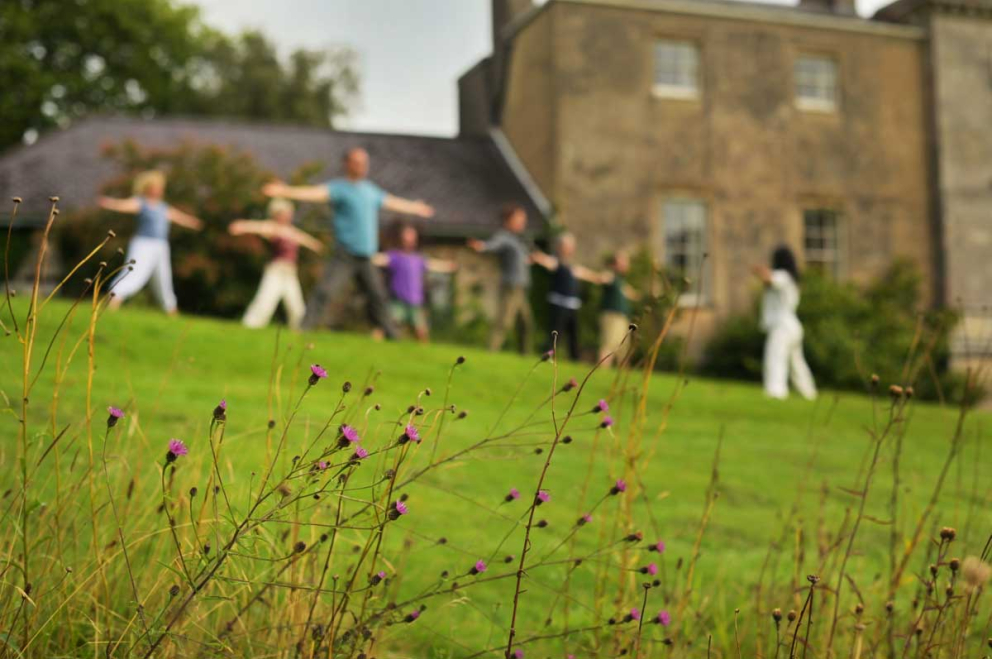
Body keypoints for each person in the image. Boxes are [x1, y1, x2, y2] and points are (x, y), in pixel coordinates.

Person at [262, 147, 435, 339]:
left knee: (378, 297)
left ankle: (393, 336)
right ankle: (304, 328)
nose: (362, 166)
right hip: (345, 253)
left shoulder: (371, 191)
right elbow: (313, 193)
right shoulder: (339, 188)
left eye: (364, 162)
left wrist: (415, 207)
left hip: (366, 255)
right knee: (325, 291)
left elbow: (392, 202)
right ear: (347, 164)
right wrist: (285, 191)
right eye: (357, 162)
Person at [98, 170, 203, 314]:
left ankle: (171, 310)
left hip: (161, 246)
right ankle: (113, 300)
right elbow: (124, 205)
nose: (159, 190)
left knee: (164, 279)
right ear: (148, 188)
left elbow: (179, 217)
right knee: (134, 274)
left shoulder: (163, 207)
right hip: (143, 244)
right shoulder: (140, 203)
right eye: (156, 187)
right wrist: (109, 203)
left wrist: (194, 223)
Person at [229, 198, 323, 330]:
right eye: (285, 213)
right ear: (277, 214)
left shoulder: (291, 230)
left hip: (290, 272)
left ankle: (300, 329)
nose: (288, 215)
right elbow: (256, 226)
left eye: (289, 213)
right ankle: (250, 326)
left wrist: (316, 245)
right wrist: (241, 226)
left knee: (295, 304)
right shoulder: (273, 227)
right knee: (266, 299)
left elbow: (303, 238)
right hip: (275, 271)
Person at [371, 223, 457, 342]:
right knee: (384, 326)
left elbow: (433, 265)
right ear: (401, 238)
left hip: (415, 302)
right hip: (398, 301)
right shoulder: (395, 256)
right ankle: (372, 345)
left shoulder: (419, 259)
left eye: (411, 236)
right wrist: (365, 258)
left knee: (421, 331)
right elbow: (380, 259)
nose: (409, 240)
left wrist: (447, 266)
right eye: (406, 236)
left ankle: (425, 355)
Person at [753, 246, 817, 400]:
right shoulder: (791, 278)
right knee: (797, 363)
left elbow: (769, 278)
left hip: (782, 326)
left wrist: (758, 270)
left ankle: (776, 392)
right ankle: (809, 393)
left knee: (775, 358)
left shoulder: (782, 276)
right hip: (792, 325)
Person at [468, 204, 534, 353]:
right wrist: (482, 246)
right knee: (503, 322)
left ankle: (525, 356)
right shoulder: (504, 236)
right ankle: (491, 351)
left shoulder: (518, 240)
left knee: (525, 323)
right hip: (511, 287)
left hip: (521, 288)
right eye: (520, 219)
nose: (523, 222)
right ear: (509, 220)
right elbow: (494, 244)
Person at [530, 232, 602, 361]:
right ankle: (548, 357)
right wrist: (536, 257)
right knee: (555, 333)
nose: (569, 248)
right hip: (559, 303)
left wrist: (599, 278)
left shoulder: (572, 265)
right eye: (567, 246)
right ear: (560, 247)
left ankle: (575, 359)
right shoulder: (556, 261)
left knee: (573, 336)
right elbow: (546, 260)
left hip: (572, 305)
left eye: (571, 246)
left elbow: (586, 274)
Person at [597, 250, 638, 365]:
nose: (626, 264)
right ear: (615, 264)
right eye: (623, 261)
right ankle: (601, 372)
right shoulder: (610, 276)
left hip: (623, 318)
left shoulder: (621, 282)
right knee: (609, 345)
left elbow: (632, 294)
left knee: (623, 349)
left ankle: (622, 379)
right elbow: (600, 278)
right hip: (612, 317)